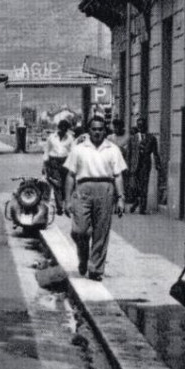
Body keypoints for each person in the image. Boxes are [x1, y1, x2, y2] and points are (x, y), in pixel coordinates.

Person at [64, 116, 127, 280]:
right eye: (94, 129)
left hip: (105, 189)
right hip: (83, 188)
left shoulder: (113, 149)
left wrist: (121, 198)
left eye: (100, 129)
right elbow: (70, 175)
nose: (97, 132)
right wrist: (67, 200)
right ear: (89, 130)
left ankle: (95, 269)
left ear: (105, 130)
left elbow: (118, 175)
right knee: (79, 230)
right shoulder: (79, 149)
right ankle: (83, 256)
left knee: (101, 231)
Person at [126, 118, 167, 214]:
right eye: (138, 125)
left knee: (144, 186)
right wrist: (127, 166)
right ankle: (136, 201)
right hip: (134, 165)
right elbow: (129, 153)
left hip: (145, 165)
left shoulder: (151, 138)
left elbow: (155, 153)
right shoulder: (132, 138)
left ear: (146, 126)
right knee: (134, 187)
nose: (140, 127)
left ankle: (142, 208)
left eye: (142, 125)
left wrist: (158, 164)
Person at [44, 119, 75, 212]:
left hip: (65, 162)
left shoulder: (70, 138)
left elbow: (73, 151)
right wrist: (45, 164)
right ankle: (59, 206)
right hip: (53, 161)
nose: (63, 130)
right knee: (56, 184)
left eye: (65, 129)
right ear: (58, 128)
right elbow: (47, 150)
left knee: (65, 184)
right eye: (61, 128)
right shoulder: (51, 137)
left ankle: (66, 203)